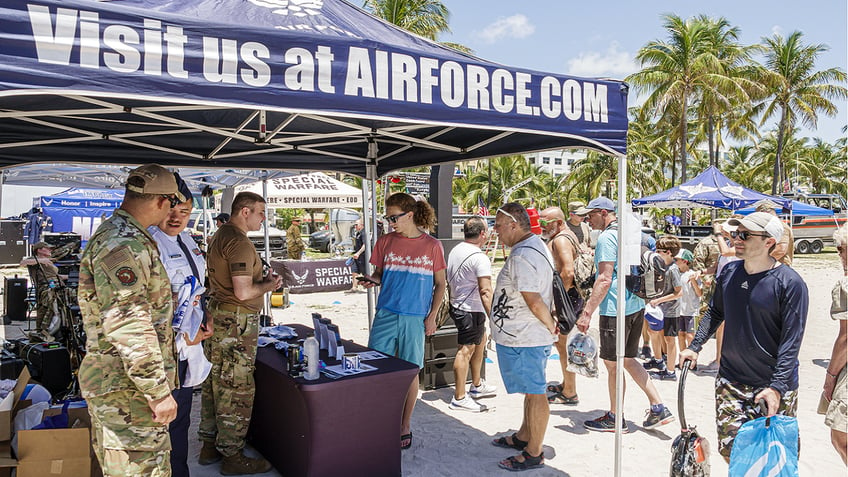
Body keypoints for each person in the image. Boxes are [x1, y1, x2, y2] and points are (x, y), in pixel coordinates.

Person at [77, 164, 185, 476]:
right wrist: (158, 391)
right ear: (162, 202)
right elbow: (128, 322)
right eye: (172, 205)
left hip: (123, 386)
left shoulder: (121, 236)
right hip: (129, 392)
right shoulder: (125, 243)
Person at [678, 211, 809, 462]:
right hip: (731, 382)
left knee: (774, 459)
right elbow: (715, 312)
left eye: (745, 235)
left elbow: (791, 343)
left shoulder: (790, 283)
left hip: (772, 385)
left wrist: (777, 388)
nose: (736, 239)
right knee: (733, 453)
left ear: (769, 241)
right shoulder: (730, 273)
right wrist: (695, 346)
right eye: (735, 234)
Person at [575, 197, 675, 433]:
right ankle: (658, 406)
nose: (588, 220)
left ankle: (614, 416)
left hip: (615, 308)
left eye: (591, 215)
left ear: (603, 212)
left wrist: (587, 312)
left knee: (613, 364)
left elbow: (604, 278)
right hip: (635, 304)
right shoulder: (633, 233)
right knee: (628, 359)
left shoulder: (608, 237)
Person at [199, 191, 282, 474]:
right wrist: (269, 286)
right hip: (236, 322)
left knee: (215, 384)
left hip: (220, 316)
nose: (264, 218)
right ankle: (232, 456)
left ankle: (210, 444)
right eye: (260, 212)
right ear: (244, 211)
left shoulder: (220, 236)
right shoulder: (238, 243)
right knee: (237, 387)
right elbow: (244, 291)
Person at [357, 192, 446, 451]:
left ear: (410, 214)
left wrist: (432, 316)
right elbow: (379, 274)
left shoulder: (432, 245)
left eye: (393, 217)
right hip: (385, 313)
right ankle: (380, 420)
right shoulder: (385, 241)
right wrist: (371, 280)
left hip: (415, 317)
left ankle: (404, 424)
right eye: (387, 217)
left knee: (409, 373)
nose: (390, 221)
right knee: (376, 368)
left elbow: (440, 285)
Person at [149, 174, 213, 477]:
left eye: (185, 212)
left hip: (188, 349)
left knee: (182, 419)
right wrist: (183, 337)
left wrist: (205, 319)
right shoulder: (149, 243)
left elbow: (197, 288)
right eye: (172, 210)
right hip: (164, 352)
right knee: (162, 427)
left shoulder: (188, 240)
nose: (177, 218)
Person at [488, 203, 556, 471]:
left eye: (498, 225)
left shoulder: (522, 255)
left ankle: (533, 453)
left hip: (526, 336)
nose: (495, 231)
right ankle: (525, 436)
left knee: (536, 392)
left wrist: (550, 326)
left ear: (514, 225)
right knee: (531, 390)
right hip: (525, 335)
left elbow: (533, 298)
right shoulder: (535, 246)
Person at [447, 216, 497, 412]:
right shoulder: (480, 257)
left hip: (459, 305)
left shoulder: (456, 250)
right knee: (466, 350)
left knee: (480, 342)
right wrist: (494, 317)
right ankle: (459, 397)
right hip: (470, 309)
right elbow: (486, 291)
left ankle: (476, 385)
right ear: (482, 234)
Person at [539, 206, 582, 405]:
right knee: (562, 343)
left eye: (545, 222)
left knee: (563, 345)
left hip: (567, 298)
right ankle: (567, 385)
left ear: (558, 222)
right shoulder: (567, 235)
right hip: (571, 297)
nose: (541, 226)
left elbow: (568, 272)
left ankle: (570, 392)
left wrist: (558, 302)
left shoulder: (561, 239)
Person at [819, 225, 847, 464]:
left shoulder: (845, 285)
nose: (839, 254)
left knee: (841, 438)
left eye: (841, 249)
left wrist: (830, 376)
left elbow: (846, 338)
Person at [644, 235, 683, 381]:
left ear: (668, 252)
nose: (656, 252)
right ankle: (658, 360)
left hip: (671, 310)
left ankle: (671, 371)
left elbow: (679, 292)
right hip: (658, 310)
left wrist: (660, 299)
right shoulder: (659, 265)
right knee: (653, 332)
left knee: (669, 339)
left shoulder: (673, 269)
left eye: (659, 250)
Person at [20, 241, 66, 340]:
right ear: (39, 250)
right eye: (48, 248)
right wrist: (40, 261)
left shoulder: (49, 260)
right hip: (46, 288)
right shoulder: (34, 259)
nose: (50, 250)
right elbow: (23, 263)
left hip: (56, 285)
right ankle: (44, 332)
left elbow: (56, 276)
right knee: (50, 303)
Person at [673, 249, 702, 366]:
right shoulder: (676, 274)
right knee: (681, 335)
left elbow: (699, 293)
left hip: (692, 311)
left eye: (678, 259)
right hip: (679, 310)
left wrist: (693, 281)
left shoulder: (693, 274)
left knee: (691, 336)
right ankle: (682, 359)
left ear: (685, 261)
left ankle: (692, 360)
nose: (676, 261)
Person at [347, 219, 367, 293]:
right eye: (354, 225)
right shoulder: (358, 233)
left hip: (363, 256)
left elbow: (365, 245)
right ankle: (354, 287)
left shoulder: (364, 233)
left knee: (366, 273)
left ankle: (369, 287)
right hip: (357, 256)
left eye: (356, 224)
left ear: (362, 225)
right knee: (354, 271)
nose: (355, 226)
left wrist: (358, 253)